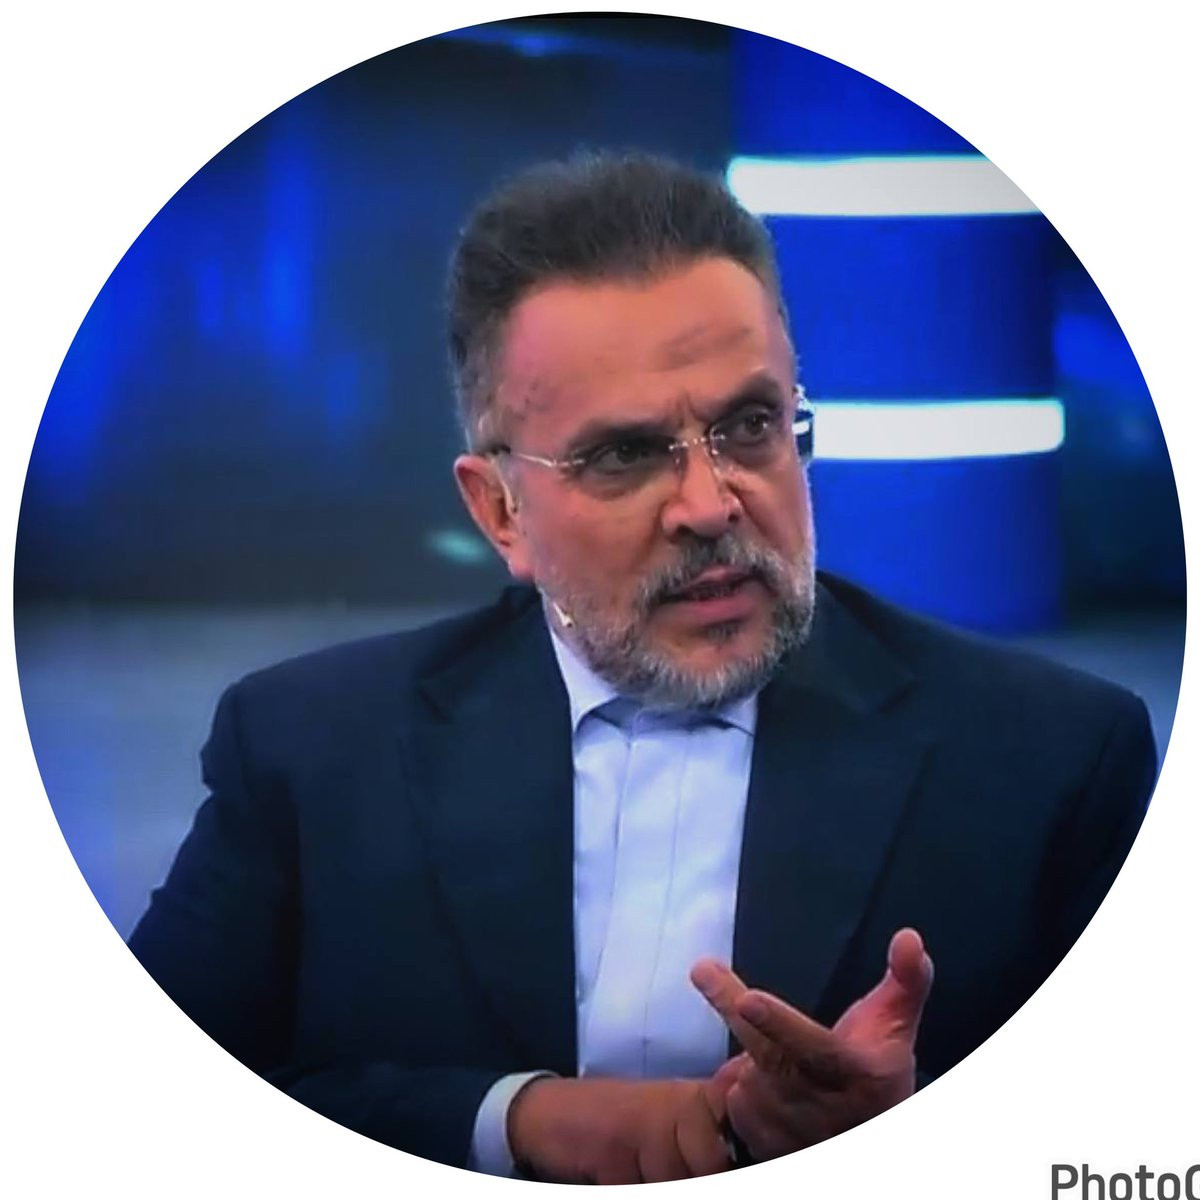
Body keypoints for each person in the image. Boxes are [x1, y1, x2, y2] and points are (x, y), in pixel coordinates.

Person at [129, 152, 1156, 1183]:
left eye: (749, 426)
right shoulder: (308, 753)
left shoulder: (1052, 763)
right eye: (623, 455)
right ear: (499, 510)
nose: (710, 506)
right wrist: (519, 1123)